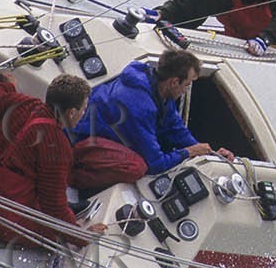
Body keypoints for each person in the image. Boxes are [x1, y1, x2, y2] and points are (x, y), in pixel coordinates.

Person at [0, 74, 110, 247]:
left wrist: (9, 87)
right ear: (71, 113)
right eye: (83, 109)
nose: (83, 114)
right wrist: (81, 236)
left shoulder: (25, 103)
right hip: (1, 214)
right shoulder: (57, 145)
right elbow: (53, 207)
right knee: (53, 237)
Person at [76, 49, 231, 175]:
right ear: (174, 82)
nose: (185, 91)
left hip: (103, 131)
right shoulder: (139, 106)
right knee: (136, 166)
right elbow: (155, 164)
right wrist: (188, 152)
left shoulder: (158, 89)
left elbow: (175, 128)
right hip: (81, 140)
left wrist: (209, 154)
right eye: (187, 85)